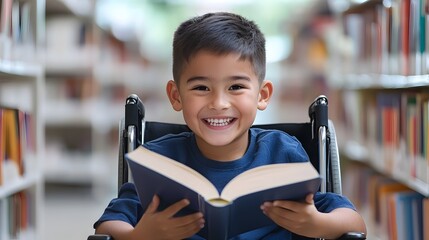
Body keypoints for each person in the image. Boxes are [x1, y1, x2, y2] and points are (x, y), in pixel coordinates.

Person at [93, 12, 367, 240]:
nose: (219, 103)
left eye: (236, 87)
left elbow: (355, 223)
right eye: (201, 87)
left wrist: (317, 224)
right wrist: (140, 235)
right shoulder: (157, 161)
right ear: (176, 96)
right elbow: (107, 227)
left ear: (262, 95)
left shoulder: (284, 153)